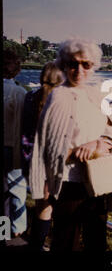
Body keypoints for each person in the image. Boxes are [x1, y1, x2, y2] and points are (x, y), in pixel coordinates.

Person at [29, 39, 112, 251]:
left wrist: (102, 142)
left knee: (96, 242)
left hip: (98, 182)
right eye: (73, 64)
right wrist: (80, 152)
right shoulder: (58, 98)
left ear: (93, 67)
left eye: (86, 64)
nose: (79, 70)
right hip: (68, 183)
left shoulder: (95, 96)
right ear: (63, 65)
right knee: (65, 243)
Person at [21, 61, 64, 251]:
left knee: (13, 199)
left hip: (27, 159)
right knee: (49, 210)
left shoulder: (29, 97)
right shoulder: (57, 104)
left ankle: (8, 233)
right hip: (49, 164)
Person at [3, 49, 27, 238]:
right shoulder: (20, 92)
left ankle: (2, 234)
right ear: (17, 71)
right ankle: (16, 230)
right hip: (12, 147)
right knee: (17, 190)